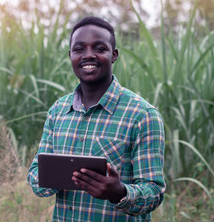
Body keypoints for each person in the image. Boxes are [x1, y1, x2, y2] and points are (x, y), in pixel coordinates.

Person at [27, 16, 165, 221]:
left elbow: (154, 192)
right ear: (70, 55)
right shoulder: (57, 111)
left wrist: (120, 193)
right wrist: (52, 176)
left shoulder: (142, 115)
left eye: (99, 48)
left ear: (114, 55)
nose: (88, 55)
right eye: (79, 49)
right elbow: (35, 174)